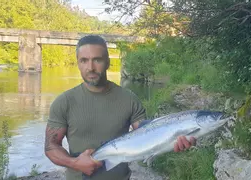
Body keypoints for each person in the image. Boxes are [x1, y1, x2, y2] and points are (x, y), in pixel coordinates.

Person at [44, 35, 196, 180]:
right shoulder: (64, 102)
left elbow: (149, 135)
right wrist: (75, 163)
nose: (90, 67)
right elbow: (51, 146)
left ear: (108, 62)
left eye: (97, 60)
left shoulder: (129, 99)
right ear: (78, 63)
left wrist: (175, 138)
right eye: (84, 60)